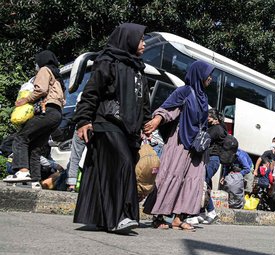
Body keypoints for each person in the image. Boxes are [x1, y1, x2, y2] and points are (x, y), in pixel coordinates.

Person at [72, 23, 150, 233]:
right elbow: (92, 91)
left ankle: (100, 217)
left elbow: (143, 101)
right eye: (141, 39)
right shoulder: (107, 61)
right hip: (106, 121)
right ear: (129, 39)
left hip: (129, 128)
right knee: (122, 163)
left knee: (106, 169)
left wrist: (146, 123)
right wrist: (83, 119)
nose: (144, 44)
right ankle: (120, 216)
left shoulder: (137, 67)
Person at [143, 60, 214, 231]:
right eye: (208, 75)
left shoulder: (203, 96)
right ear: (199, 74)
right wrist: (157, 120)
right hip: (180, 140)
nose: (210, 78)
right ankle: (158, 215)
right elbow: (169, 109)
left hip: (197, 147)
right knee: (171, 175)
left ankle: (179, 217)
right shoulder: (184, 91)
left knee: (193, 180)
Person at [4, 50, 65, 188]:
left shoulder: (44, 69)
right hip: (57, 114)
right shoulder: (58, 77)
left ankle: (22, 171)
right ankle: (35, 180)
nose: (36, 66)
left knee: (21, 137)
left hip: (46, 111)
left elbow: (41, 90)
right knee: (36, 147)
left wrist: (25, 100)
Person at [197, 108, 225, 224]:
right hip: (212, 159)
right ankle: (202, 212)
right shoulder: (219, 128)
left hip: (212, 159)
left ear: (215, 118)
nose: (207, 119)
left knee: (203, 184)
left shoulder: (216, 129)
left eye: (208, 117)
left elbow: (203, 139)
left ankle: (212, 212)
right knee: (205, 184)